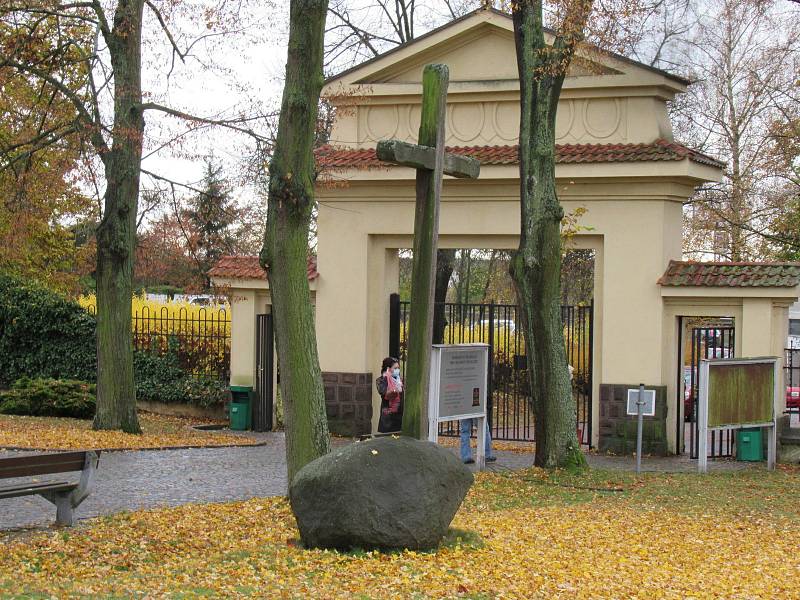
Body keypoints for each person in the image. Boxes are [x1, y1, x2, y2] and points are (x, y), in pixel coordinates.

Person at [376, 357, 403, 433]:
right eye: (395, 368)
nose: (398, 370)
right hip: (388, 418)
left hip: (399, 416)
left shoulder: (399, 380)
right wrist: (394, 390)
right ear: (388, 369)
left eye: (398, 368)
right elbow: (384, 393)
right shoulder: (382, 380)